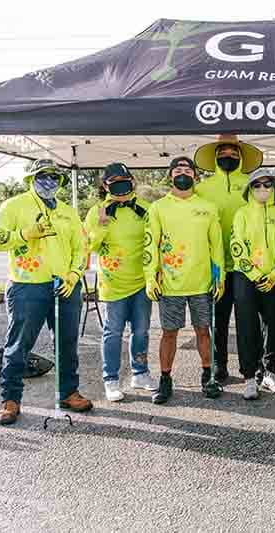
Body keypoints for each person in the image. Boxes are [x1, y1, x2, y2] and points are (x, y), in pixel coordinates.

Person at [0, 159, 92, 425]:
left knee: (67, 342)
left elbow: (81, 248)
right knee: (19, 345)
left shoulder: (68, 211)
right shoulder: (14, 206)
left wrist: (74, 275)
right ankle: (10, 399)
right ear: (32, 178)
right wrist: (24, 233)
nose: (50, 181)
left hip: (65, 285)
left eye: (55, 177)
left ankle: (68, 392)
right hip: (26, 285)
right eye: (43, 176)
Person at [144, 157, 225, 403]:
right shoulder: (157, 207)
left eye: (187, 170)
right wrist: (150, 276)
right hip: (170, 284)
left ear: (195, 176)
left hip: (201, 283)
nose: (182, 173)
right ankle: (165, 380)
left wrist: (219, 277)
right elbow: (151, 243)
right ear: (170, 176)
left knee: (203, 330)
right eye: (178, 170)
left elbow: (217, 245)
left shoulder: (208, 207)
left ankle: (207, 377)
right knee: (169, 333)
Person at [194, 134, 263, 383]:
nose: (228, 156)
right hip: (214, 266)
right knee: (218, 320)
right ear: (215, 156)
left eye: (234, 152)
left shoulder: (252, 185)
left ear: (241, 156)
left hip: (246, 266)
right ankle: (218, 365)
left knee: (247, 319)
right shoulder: (201, 189)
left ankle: (252, 367)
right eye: (223, 152)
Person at [85, 162, 156, 401]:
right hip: (113, 284)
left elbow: (155, 242)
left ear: (133, 181)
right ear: (105, 185)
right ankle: (111, 380)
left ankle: (140, 373)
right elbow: (88, 246)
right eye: (114, 182)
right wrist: (102, 225)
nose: (122, 186)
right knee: (112, 332)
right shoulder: (97, 212)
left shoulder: (146, 208)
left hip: (142, 282)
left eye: (125, 180)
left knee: (141, 331)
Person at [231, 168, 275, 400]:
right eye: (257, 185)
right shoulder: (241, 214)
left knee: (273, 326)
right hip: (246, 278)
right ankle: (249, 377)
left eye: (267, 185)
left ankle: (270, 373)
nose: (263, 189)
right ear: (250, 189)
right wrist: (255, 275)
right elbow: (237, 247)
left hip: (273, 279)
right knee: (247, 326)